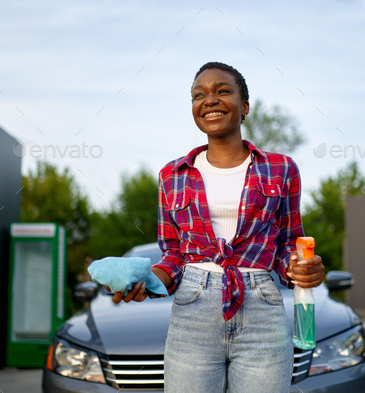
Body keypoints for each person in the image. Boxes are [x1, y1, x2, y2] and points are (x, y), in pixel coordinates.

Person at [105, 61, 325, 393]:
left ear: (245, 106)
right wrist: (148, 281)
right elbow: (174, 257)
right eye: (199, 95)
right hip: (192, 314)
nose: (210, 100)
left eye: (223, 91)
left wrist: (301, 269)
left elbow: (288, 247)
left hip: (262, 311)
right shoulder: (172, 175)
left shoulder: (282, 169)